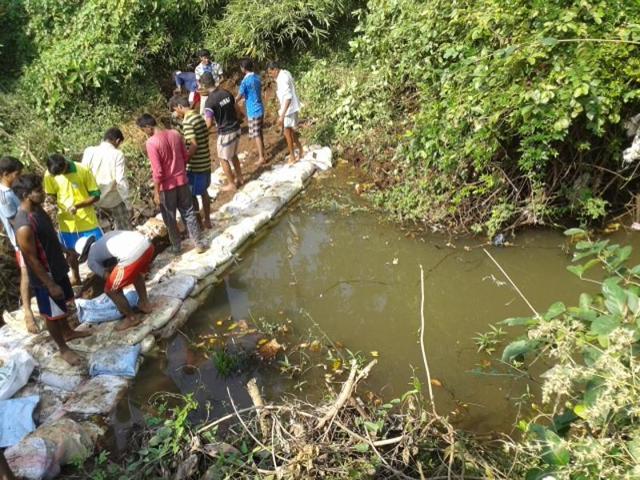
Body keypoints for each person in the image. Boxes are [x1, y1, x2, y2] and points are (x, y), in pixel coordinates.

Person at [11, 174, 90, 366]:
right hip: (45, 275)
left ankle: (68, 331)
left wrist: (65, 250)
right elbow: (31, 259)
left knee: (63, 304)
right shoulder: (23, 225)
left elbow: (50, 236)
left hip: (57, 267)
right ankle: (63, 348)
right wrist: (49, 284)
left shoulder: (38, 211)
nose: (44, 193)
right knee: (52, 315)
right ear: (26, 195)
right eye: (38, 191)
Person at [136, 113, 206, 254]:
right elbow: (185, 156)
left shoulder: (151, 143)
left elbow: (158, 172)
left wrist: (156, 192)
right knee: (188, 212)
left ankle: (176, 247)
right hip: (182, 181)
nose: (145, 133)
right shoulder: (175, 134)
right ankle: (197, 243)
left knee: (170, 218)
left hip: (166, 187)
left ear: (148, 127)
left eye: (144, 130)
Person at [75, 231, 154, 331]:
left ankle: (131, 318)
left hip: (132, 253)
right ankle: (145, 304)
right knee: (135, 274)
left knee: (110, 290)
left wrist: (120, 303)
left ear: (84, 255)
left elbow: (109, 279)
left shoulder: (91, 261)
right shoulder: (105, 238)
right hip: (147, 244)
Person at [44, 154, 103, 286]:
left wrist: (78, 206)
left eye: (62, 172)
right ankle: (76, 277)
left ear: (65, 163)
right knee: (70, 253)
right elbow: (51, 195)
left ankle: (106, 276)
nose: (60, 175)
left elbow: (96, 195)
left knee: (98, 248)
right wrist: (50, 205)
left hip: (87, 221)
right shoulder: (49, 174)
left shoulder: (82, 169)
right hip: (66, 223)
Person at [0, 157, 37, 333]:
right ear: (6, 174)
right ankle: (28, 313)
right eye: (17, 174)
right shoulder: (5, 196)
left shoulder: (10, 191)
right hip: (22, 242)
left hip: (26, 239)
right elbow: (16, 221)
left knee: (31, 274)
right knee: (26, 275)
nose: (19, 177)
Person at [169, 95, 213, 229]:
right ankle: (208, 220)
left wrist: (185, 160)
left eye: (175, 110)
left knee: (192, 195)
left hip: (195, 165)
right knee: (204, 192)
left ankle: (198, 223)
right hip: (205, 160)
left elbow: (193, 144)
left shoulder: (187, 121)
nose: (175, 113)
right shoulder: (198, 116)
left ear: (179, 107)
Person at [81, 128, 132, 231]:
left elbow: (83, 174)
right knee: (125, 231)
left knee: (102, 232)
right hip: (113, 200)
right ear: (117, 141)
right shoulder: (117, 154)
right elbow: (121, 181)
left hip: (94, 200)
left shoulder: (89, 151)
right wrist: (128, 204)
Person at [201, 72, 243, 191]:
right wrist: (239, 118)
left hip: (225, 132)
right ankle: (240, 177)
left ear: (204, 85)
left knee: (223, 158)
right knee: (233, 155)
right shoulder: (226, 93)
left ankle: (231, 184)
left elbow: (208, 123)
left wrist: (200, 130)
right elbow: (237, 109)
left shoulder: (209, 102)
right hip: (236, 128)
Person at [267, 61, 303, 164]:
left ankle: (292, 156)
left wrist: (282, 115)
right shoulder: (286, 73)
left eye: (271, 72)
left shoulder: (282, 79)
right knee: (290, 130)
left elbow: (288, 97)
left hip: (288, 110)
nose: (270, 75)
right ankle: (300, 149)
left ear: (275, 69)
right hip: (291, 107)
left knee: (287, 132)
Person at [236, 58, 266, 165]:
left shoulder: (245, 81)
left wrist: (233, 102)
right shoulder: (257, 78)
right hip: (260, 108)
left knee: (257, 134)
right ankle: (263, 152)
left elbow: (239, 96)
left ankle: (262, 157)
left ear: (243, 68)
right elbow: (253, 92)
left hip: (253, 111)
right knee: (260, 132)